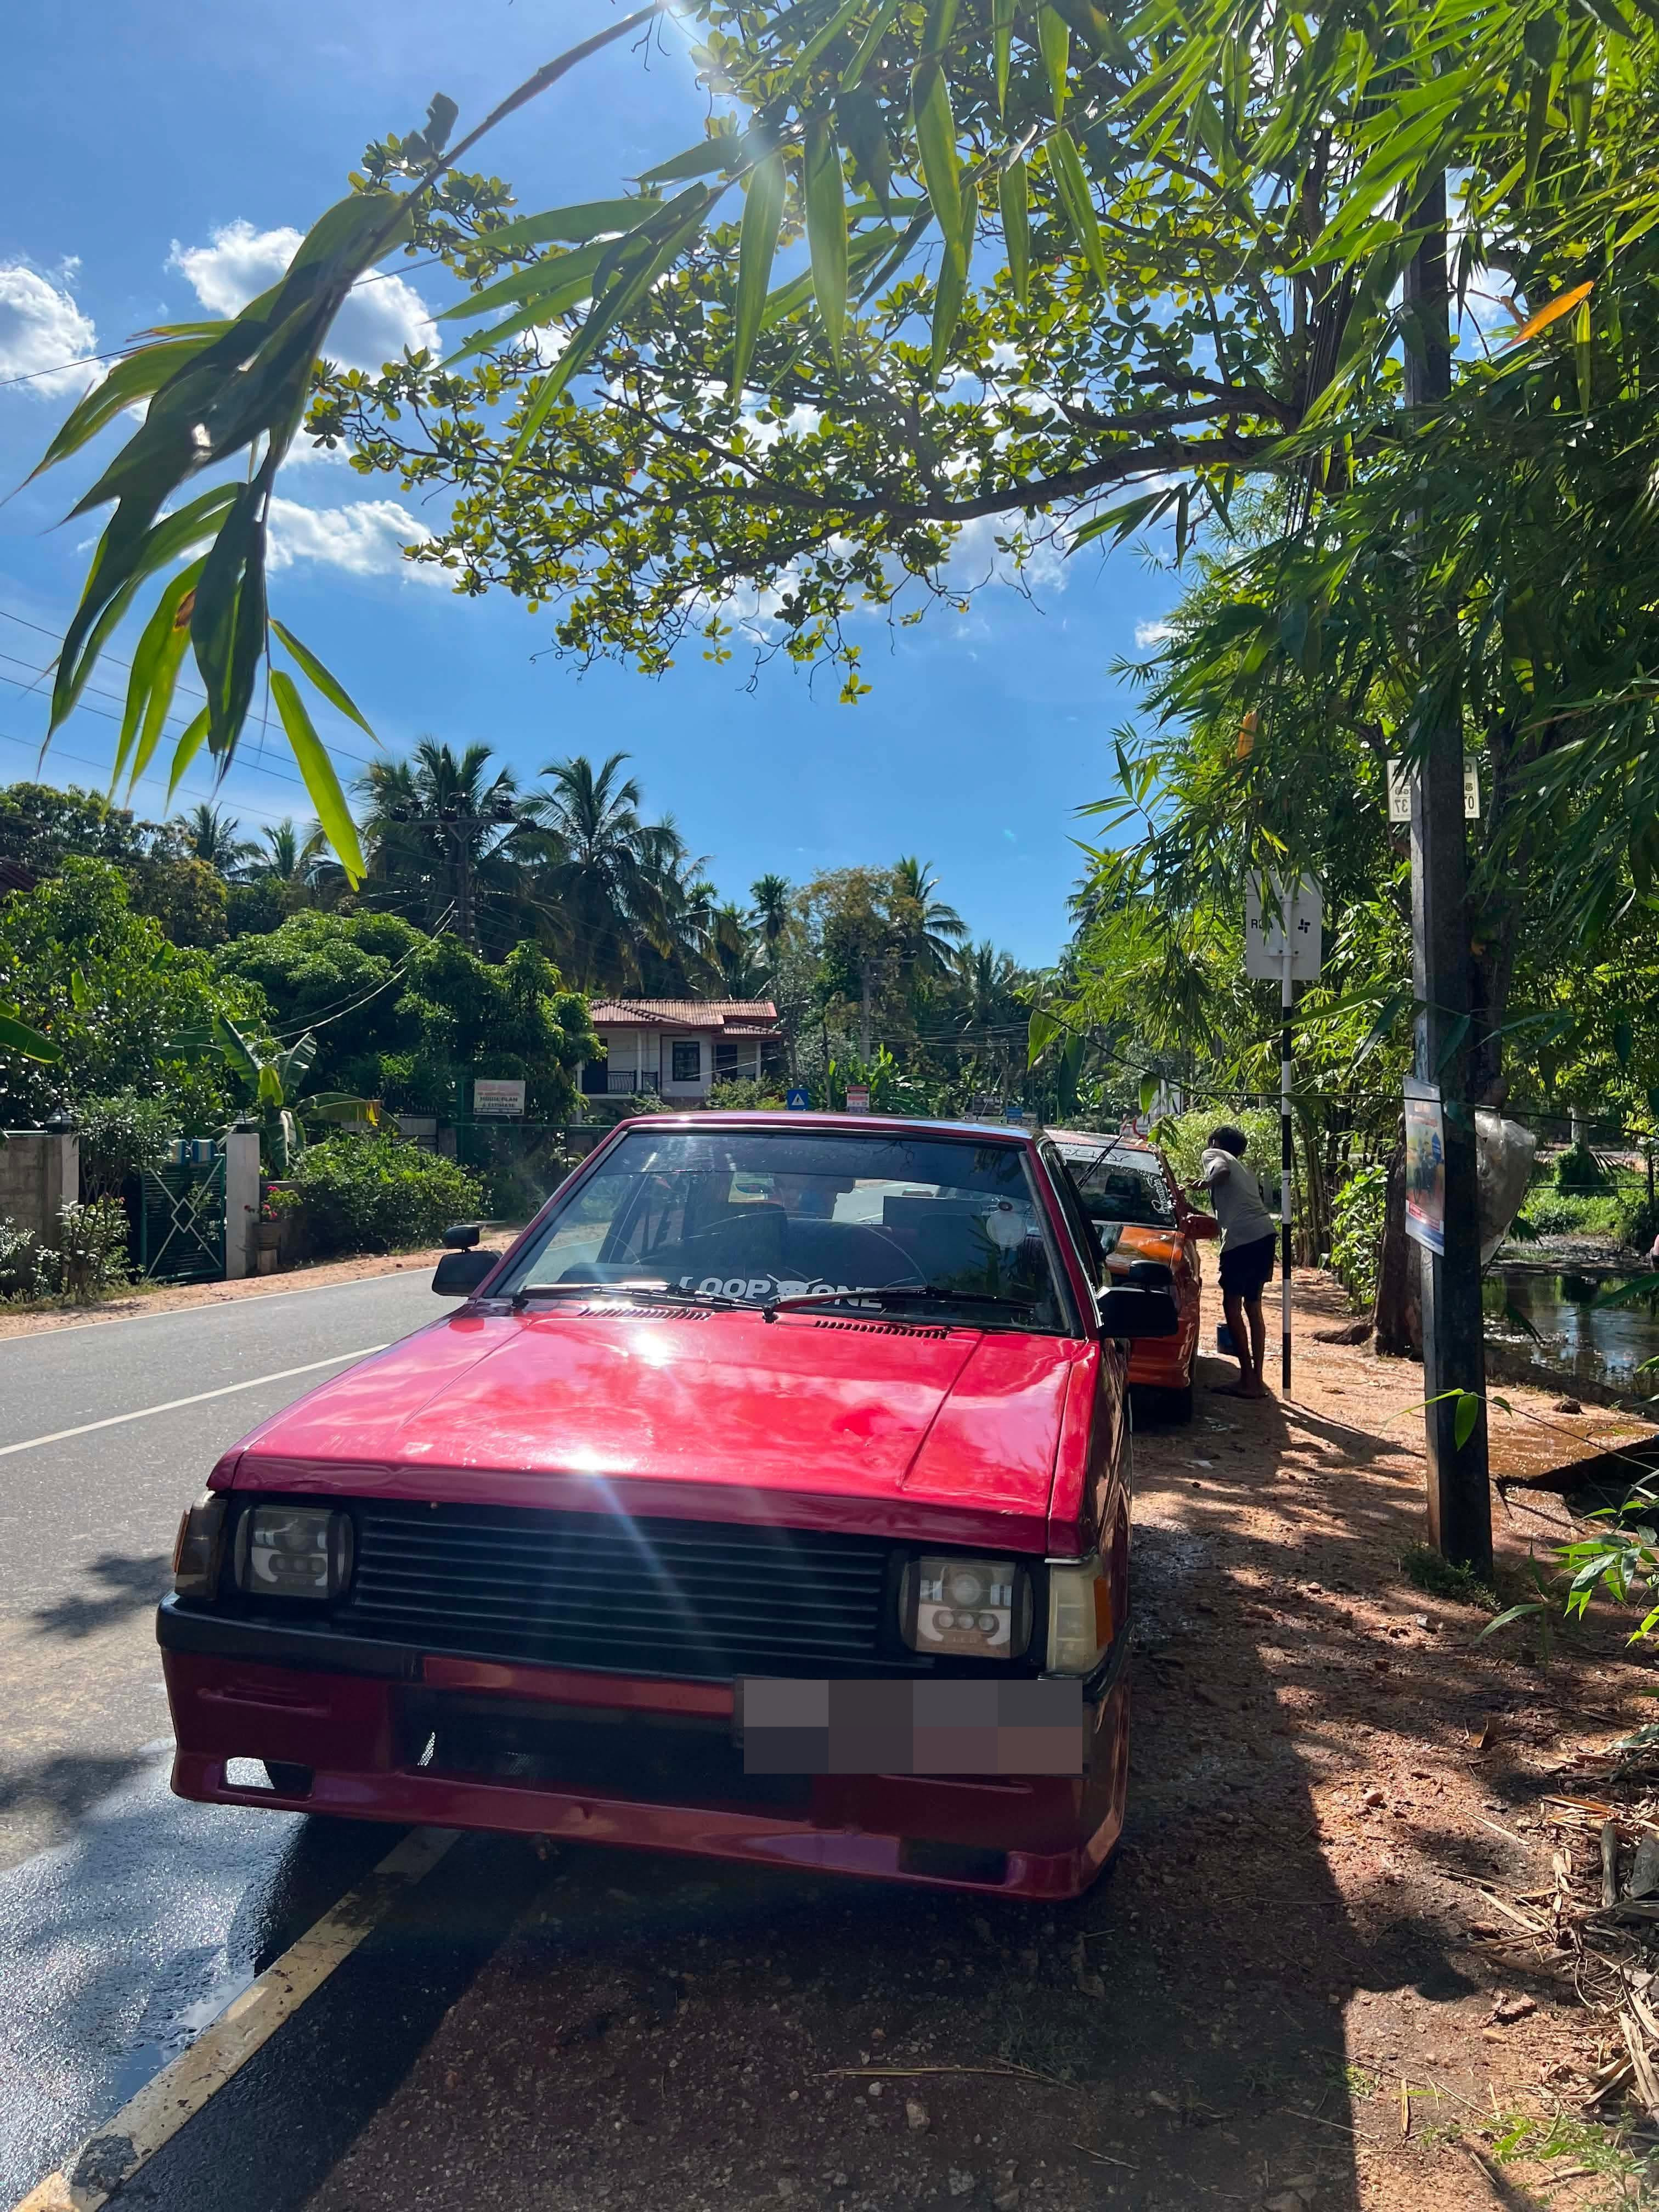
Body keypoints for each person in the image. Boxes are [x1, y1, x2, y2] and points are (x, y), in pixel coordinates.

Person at [1187, 1125, 1277, 1399]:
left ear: (1215, 1141)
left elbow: (1219, 1172)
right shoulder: (1244, 1170)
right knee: (1253, 1306)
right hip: (1263, 1236)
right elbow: (1226, 1216)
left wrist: (1204, 1182)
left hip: (1241, 1241)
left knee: (1232, 1306)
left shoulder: (1214, 1154)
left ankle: (1247, 1378)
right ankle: (1256, 1380)